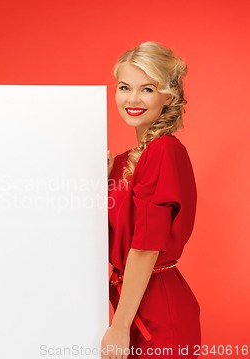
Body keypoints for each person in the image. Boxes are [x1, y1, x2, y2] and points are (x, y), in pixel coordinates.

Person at [103, 42, 201, 359]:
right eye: (124, 87)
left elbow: (146, 247)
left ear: (168, 95)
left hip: (158, 311)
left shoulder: (164, 151)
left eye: (147, 89)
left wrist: (119, 326)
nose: (132, 99)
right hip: (130, 306)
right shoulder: (119, 162)